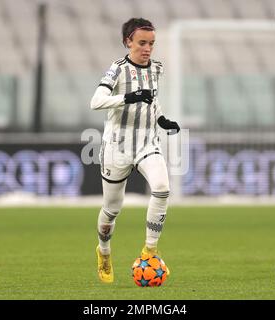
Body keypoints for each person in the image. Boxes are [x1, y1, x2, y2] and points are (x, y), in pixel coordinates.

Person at [90, 17, 180, 283]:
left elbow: (151, 99)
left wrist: (161, 119)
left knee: (162, 188)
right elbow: (96, 102)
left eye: (151, 43)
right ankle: (104, 251)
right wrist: (128, 97)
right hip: (117, 146)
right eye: (142, 43)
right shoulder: (117, 70)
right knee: (112, 208)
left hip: (146, 143)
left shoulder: (157, 68)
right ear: (128, 41)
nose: (147, 48)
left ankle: (149, 250)